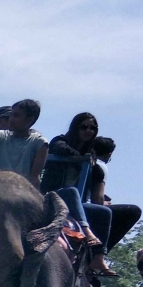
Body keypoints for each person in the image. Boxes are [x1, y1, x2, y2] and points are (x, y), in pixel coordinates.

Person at [37, 112, 116, 276]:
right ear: (75, 127)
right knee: (72, 191)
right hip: (53, 195)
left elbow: (98, 177)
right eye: (84, 127)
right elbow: (59, 149)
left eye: (93, 128)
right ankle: (86, 232)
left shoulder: (91, 154)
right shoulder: (60, 141)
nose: (88, 131)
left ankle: (98, 258)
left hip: (75, 203)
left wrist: (93, 166)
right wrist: (83, 159)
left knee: (104, 212)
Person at [0, 99, 47, 184]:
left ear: (29, 120)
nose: (11, 119)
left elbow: (34, 176)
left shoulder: (39, 143)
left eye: (16, 116)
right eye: (11, 115)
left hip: (20, 189)